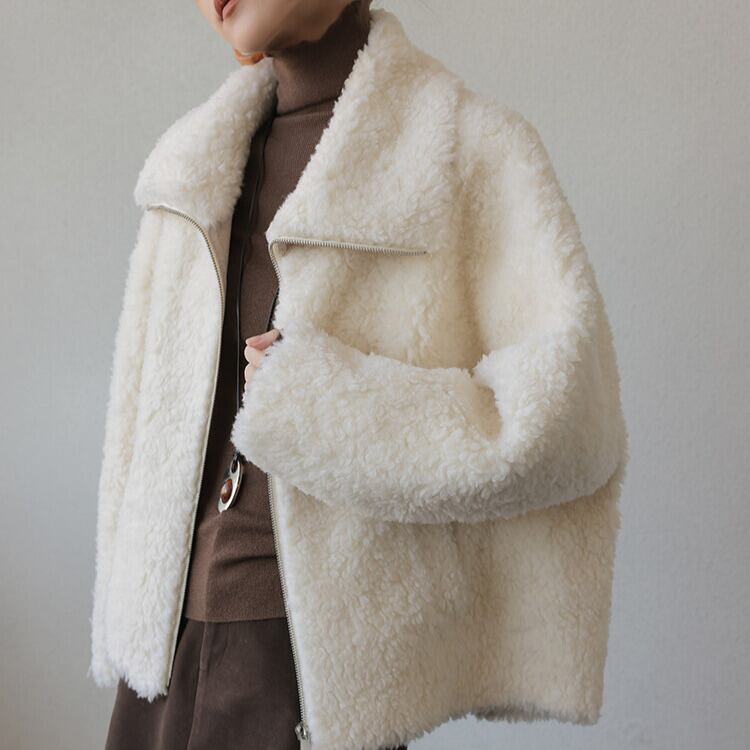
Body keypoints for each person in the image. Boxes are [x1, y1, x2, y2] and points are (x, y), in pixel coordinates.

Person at [90, 2, 629, 749]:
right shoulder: (189, 167)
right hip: (160, 662)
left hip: (300, 676)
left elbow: (571, 423)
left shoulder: (463, 149)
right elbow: (137, 430)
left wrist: (324, 405)